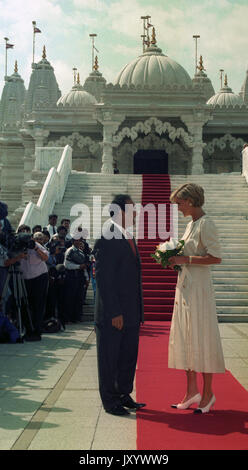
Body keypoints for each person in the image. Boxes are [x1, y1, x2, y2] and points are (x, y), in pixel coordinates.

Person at [168, 183, 225, 414]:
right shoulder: (190, 224)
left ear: (190, 201)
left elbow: (216, 258)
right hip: (186, 288)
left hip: (200, 291)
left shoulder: (206, 224)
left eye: (180, 203)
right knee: (187, 337)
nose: (178, 208)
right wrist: (173, 259)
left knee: (202, 337)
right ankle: (192, 391)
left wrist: (186, 261)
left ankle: (208, 393)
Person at [93, 194, 146, 416]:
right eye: (132, 210)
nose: (136, 214)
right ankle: (110, 400)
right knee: (110, 358)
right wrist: (114, 311)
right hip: (113, 313)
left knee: (127, 356)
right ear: (120, 212)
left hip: (130, 312)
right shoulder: (107, 237)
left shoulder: (126, 235)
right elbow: (105, 280)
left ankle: (123, 393)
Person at [19, 237, 49, 340]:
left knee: (38, 305)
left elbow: (45, 258)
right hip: (24, 278)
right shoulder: (17, 245)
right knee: (25, 305)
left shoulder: (35, 245)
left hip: (39, 277)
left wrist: (35, 248)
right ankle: (28, 330)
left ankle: (37, 331)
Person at [63, 232, 88, 323]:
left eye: (79, 240)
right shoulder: (70, 251)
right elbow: (67, 265)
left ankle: (76, 317)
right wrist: (78, 267)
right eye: (76, 240)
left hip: (80, 277)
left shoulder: (81, 252)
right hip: (72, 276)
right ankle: (68, 318)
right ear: (73, 241)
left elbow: (84, 266)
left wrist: (86, 277)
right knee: (70, 298)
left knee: (79, 298)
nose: (78, 242)